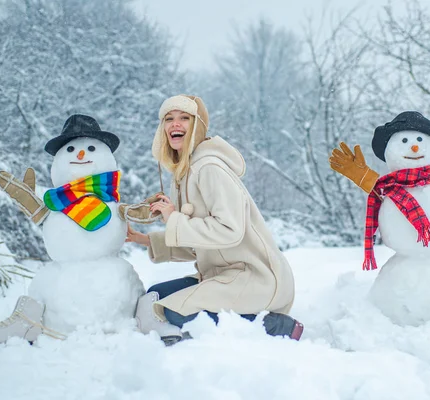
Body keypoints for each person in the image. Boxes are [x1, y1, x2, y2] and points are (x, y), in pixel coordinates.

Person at [127, 94, 303, 344]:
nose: (175, 124)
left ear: (197, 125)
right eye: (169, 118)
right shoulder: (184, 173)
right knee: (154, 296)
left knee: (169, 312)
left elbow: (230, 230)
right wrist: (145, 239)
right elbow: (199, 241)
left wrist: (174, 219)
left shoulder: (209, 168)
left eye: (184, 118)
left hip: (255, 276)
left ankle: (274, 325)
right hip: (220, 274)